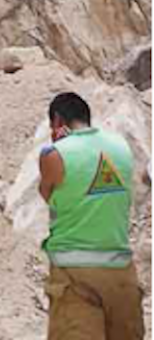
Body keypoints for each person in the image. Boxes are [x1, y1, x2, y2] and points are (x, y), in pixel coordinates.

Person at [38, 92, 144, 340]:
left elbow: (46, 192)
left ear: (57, 121)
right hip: (121, 274)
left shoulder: (54, 155)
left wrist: (56, 143)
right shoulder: (121, 147)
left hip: (75, 277)